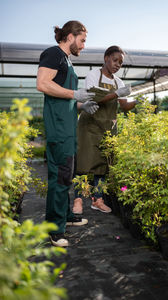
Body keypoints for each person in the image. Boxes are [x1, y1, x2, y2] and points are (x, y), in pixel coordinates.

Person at [37, 20, 99, 247]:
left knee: (67, 175)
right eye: (82, 40)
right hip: (59, 129)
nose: (83, 45)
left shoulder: (67, 61)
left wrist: (83, 105)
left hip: (68, 128)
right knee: (60, 176)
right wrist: (75, 94)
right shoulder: (53, 54)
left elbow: (67, 97)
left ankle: (65, 217)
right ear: (70, 36)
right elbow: (42, 84)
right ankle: (54, 229)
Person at [73, 45, 138, 215]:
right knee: (84, 164)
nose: (118, 65)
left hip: (107, 128)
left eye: (121, 63)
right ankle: (78, 199)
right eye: (115, 60)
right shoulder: (94, 75)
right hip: (89, 126)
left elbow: (124, 106)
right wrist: (117, 94)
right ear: (106, 58)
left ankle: (98, 200)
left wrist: (139, 101)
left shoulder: (119, 82)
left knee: (103, 166)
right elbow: (96, 100)